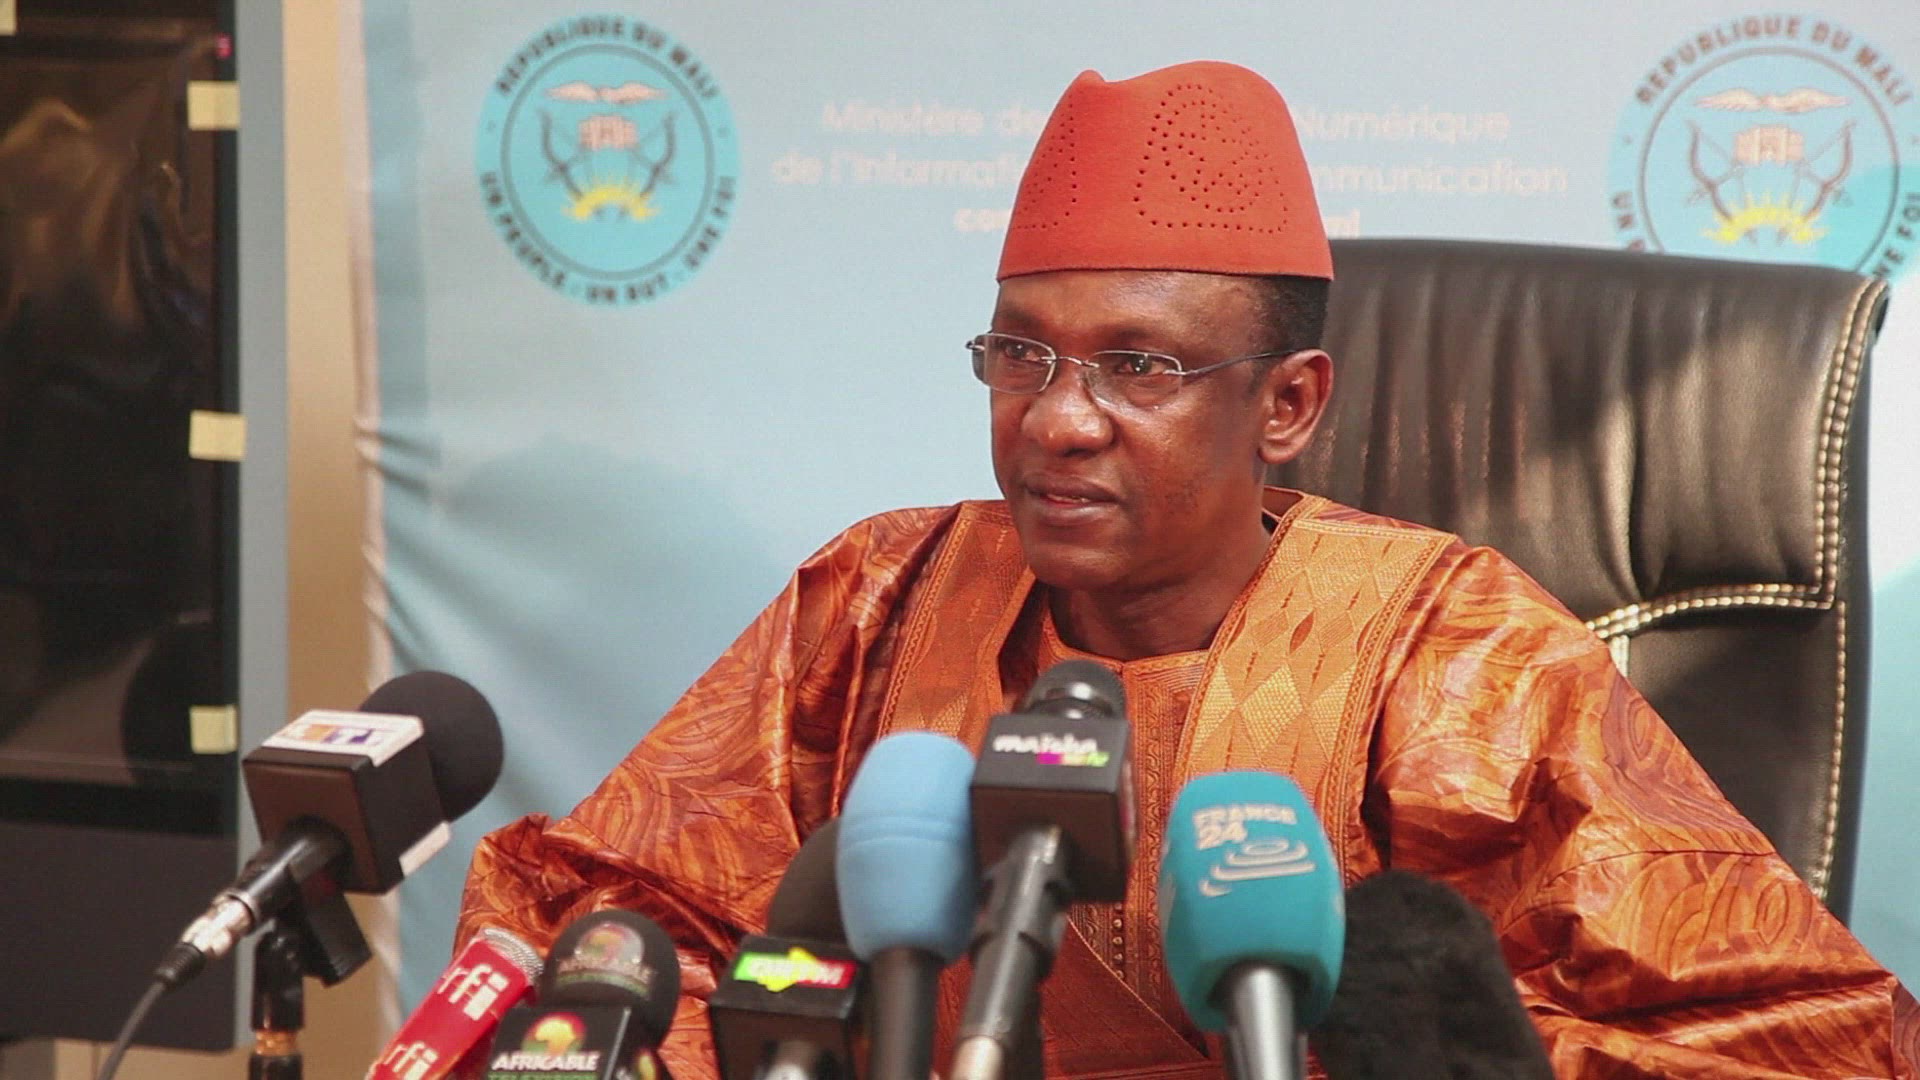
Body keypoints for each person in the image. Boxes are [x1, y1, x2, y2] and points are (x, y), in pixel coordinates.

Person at [457, 61, 1919, 1077]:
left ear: (1287, 405)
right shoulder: (880, 594)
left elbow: (1802, 1040)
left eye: (1138, 366)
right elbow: (608, 926)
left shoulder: (1456, 653)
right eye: (1019, 353)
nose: (1056, 419)